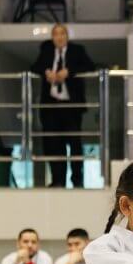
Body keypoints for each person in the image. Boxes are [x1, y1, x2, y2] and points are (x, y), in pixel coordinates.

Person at [32, 24, 95, 188]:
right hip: (51, 106)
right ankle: (58, 180)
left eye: (62, 34)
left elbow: (90, 66)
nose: (59, 37)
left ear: (67, 36)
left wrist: (68, 71)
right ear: (52, 37)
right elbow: (35, 67)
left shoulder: (77, 50)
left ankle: (77, 180)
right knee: (53, 144)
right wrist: (47, 72)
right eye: (55, 34)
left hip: (71, 106)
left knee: (74, 143)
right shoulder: (46, 50)